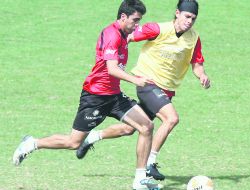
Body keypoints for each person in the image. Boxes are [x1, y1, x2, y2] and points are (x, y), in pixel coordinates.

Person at [12, 1, 163, 189]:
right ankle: (32, 143)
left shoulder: (124, 34)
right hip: (95, 97)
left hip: (114, 96)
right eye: (135, 20)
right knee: (73, 142)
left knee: (146, 126)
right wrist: (136, 80)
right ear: (123, 17)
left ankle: (140, 180)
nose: (137, 25)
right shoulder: (111, 35)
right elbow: (112, 69)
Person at [76, 0, 211, 182]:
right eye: (187, 16)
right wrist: (114, 55)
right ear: (177, 13)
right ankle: (150, 163)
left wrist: (202, 75)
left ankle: (92, 137)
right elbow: (129, 36)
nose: (190, 21)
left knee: (131, 129)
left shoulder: (193, 38)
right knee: (171, 118)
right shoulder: (157, 29)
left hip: (167, 90)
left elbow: (197, 63)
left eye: (193, 19)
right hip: (148, 83)